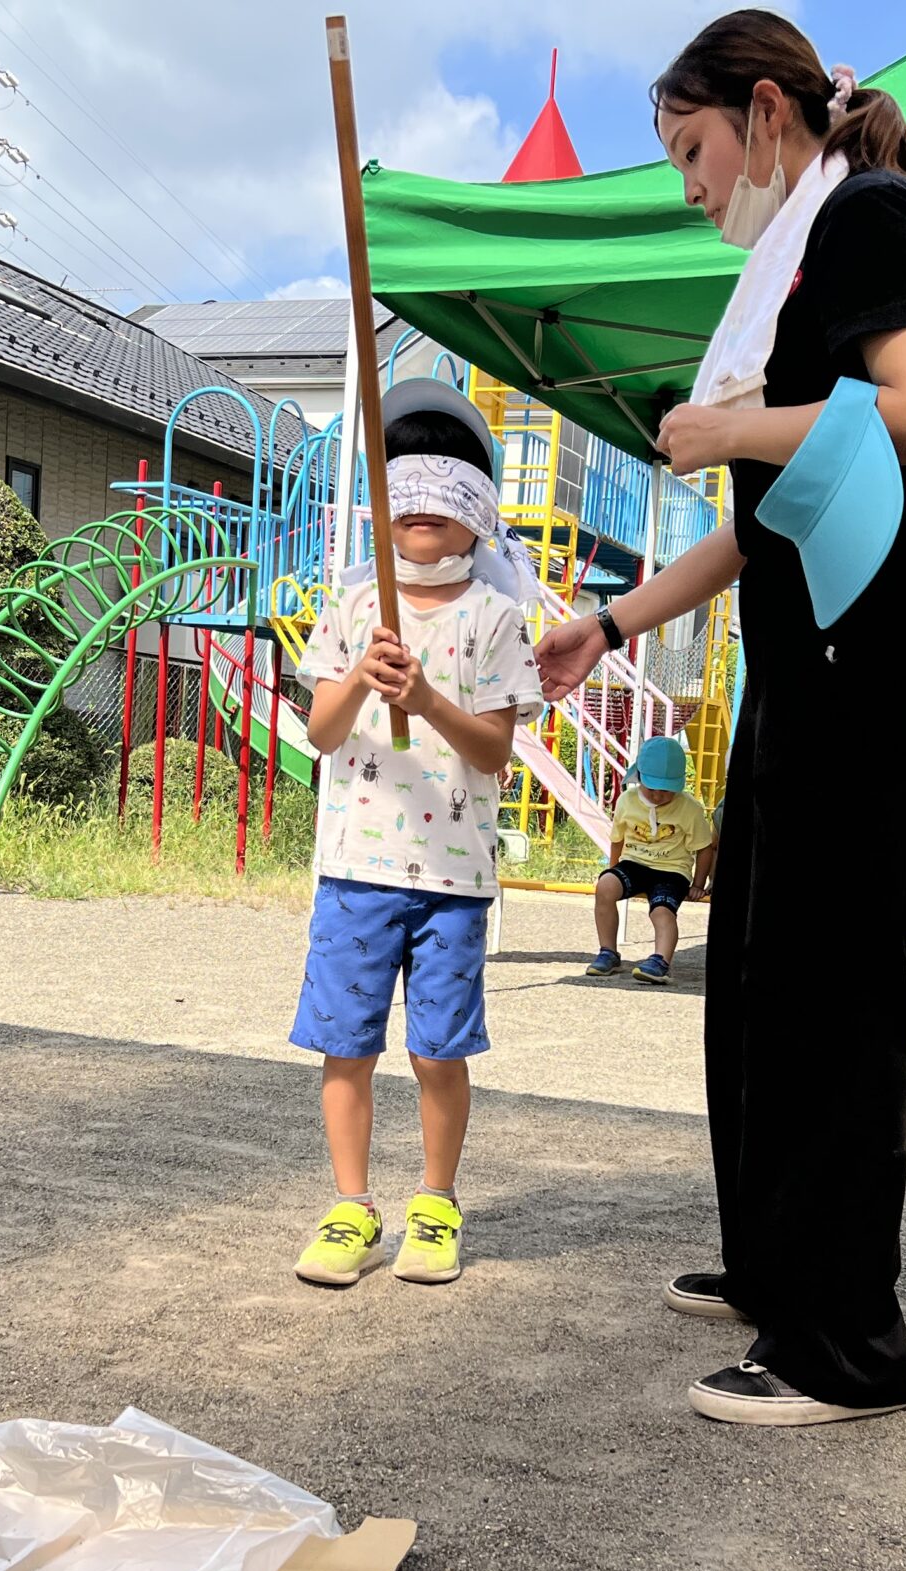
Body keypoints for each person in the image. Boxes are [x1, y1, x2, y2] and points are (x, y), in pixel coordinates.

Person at [535, 12, 906, 1425]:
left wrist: (725, 427)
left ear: (768, 113)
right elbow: (759, 529)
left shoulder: (874, 220)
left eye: (691, 148)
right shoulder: (799, 263)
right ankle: (775, 1265)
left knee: (833, 988)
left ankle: (845, 1349)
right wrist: (609, 623)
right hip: (816, 654)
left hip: (880, 653)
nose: (684, 183)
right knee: (758, 977)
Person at [289, 387, 545, 1288]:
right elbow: (321, 732)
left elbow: (496, 754)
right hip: (356, 868)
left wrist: (428, 698)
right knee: (345, 1042)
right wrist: (362, 676)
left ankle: (435, 1203)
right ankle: (351, 1207)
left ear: (478, 512)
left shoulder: (496, 619)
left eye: (448, 494)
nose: (425, 510)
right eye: (407, 493)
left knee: (439, 1049)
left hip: (451, 877)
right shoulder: (354, 610)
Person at [591, 734, 719, 984]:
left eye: (667, 790)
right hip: (634, 864)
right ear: (638, 778)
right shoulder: (626, 801)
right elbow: (617, 839)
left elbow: (704, 848)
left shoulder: (689, 808)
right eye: (652, 788)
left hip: (672, 871)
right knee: (604, 886)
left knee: (661, 911)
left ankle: (660, 961)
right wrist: (612, 871)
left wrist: (697, 883)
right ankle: (608, 952)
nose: (659, 796)